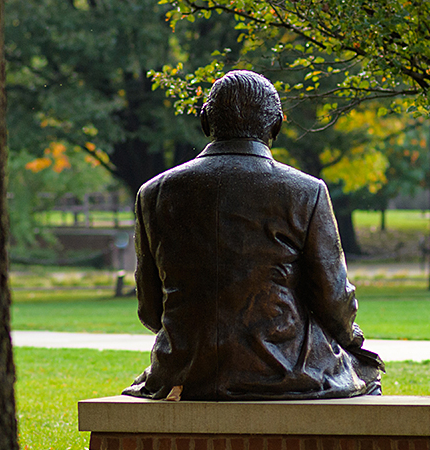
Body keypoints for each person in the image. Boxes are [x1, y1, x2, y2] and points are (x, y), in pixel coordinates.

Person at [122, 70, 382, 401]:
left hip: (185, 372)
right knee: (367, 373)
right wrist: (350, 337)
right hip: (286, 374)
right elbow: (333, 302)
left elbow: (150, 312)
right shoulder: (306, 192)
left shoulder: (153, 193)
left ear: (205, 122)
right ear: (276, 126)